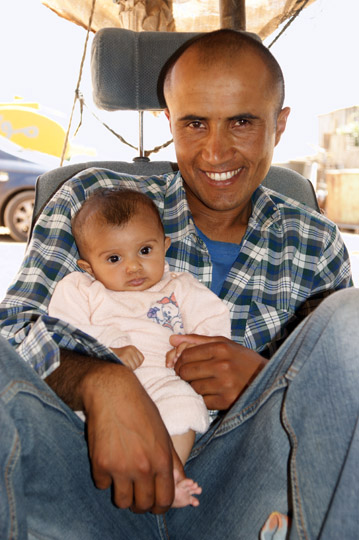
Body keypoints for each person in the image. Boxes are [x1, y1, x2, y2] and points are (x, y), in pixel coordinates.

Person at [0, 29, 356, 539]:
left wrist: (270, 383)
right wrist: (100, 382)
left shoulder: (314, 241)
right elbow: (12, 335)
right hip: (88, 479)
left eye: (241, 122)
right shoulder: (91, 203)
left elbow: (340, 381)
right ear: (170, 122)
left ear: (279, 124)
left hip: (240, 493)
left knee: (352, 322)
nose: (216, 151)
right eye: (194, 123)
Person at [48, 187, 231, 508]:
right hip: (104, 389)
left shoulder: (179, 286)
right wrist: (108, 352)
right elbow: (64, 333)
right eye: (114, 258)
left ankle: (171, 473)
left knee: (184, 407)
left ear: (165, 246)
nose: (133, 267)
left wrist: (193, 350)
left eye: (145, 251)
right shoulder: (81, 289)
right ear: (88, 267)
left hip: (165, 378)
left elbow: (213, 320)